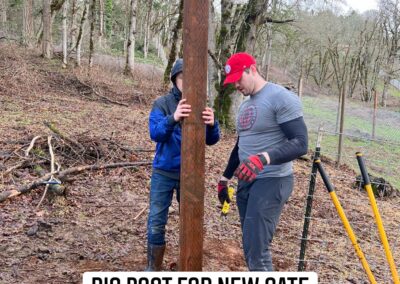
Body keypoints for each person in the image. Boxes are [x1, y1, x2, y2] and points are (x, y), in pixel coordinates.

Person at [217, 52, 308, 271]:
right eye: (233, 81)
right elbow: (241, 145)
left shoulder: (280, 97)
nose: (236, 85)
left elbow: (300, 143)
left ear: (252, 69)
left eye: (240, 78)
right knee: (250, 246)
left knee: (258, 250)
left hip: (272, 180)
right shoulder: (245, 106)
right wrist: (225, 177)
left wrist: (263, 159)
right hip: (246, 180)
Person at [146, 58, 220, 271]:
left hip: (191, 175)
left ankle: (187, 265)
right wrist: (174, 117)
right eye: (181, 77)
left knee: (190, 221)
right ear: (174, 79)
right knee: (156, 219)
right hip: (164, 172)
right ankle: (153, 267)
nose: (186, 82)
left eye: (190, 77)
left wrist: (213, 125)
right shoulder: (162, 103)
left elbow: (212, 140)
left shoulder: (201, 104)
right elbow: (155, 133)